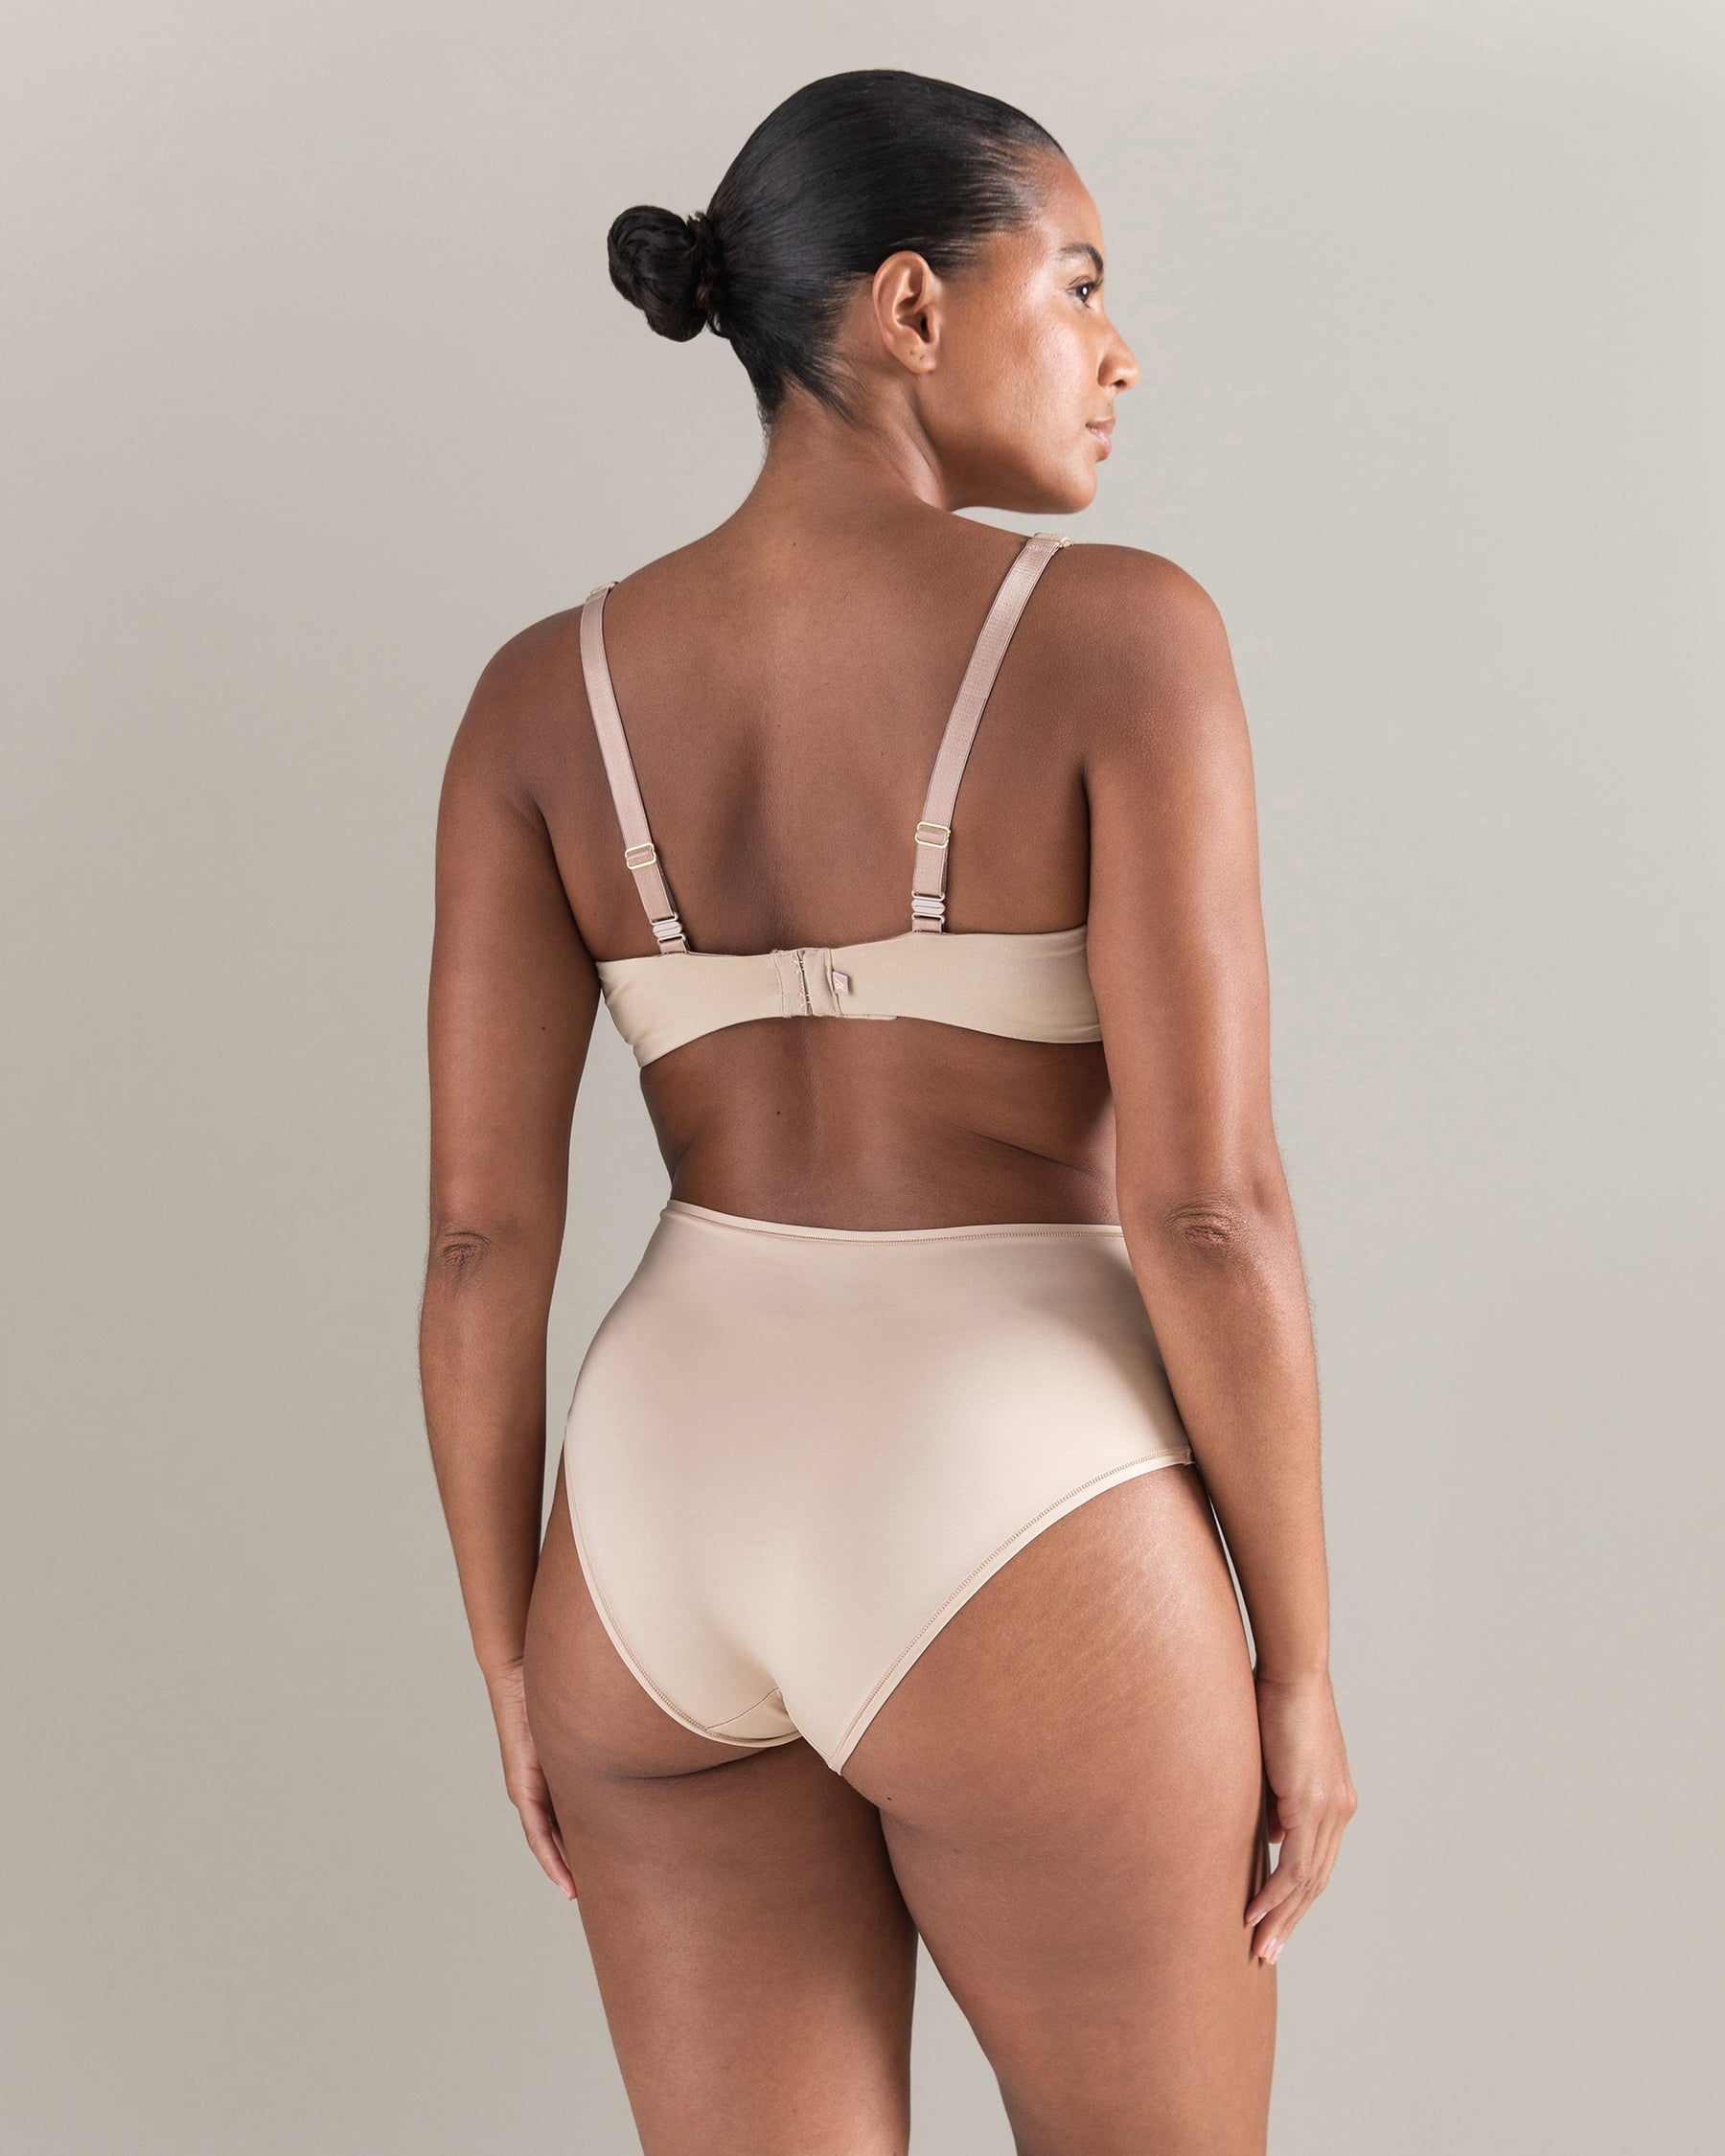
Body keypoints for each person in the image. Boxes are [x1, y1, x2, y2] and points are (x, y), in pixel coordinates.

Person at [421, 66, 1355, 2156]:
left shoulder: (537, 697)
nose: (1121, 350)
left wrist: (511, 1656)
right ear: (914, 308)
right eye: (1080, 282)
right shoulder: (1123, 639)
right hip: (1015, 1491)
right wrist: (1298, 1666)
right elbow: (1210, 1210)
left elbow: (481, 1244)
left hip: (652, 1513)